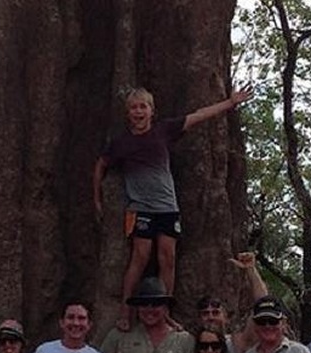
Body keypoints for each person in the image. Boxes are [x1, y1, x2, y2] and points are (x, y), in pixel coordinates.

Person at [93, 85, 254, 330]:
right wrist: (96, 198)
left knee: (167, 258)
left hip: (167, 207)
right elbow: (101, 165)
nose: (138, 111)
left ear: (151, 111)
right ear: (128, 113)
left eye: (143, 107)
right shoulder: (122, 143)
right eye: (133, 108)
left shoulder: (163, 131)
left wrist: (230, 102)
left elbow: (199, 115)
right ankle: (125, 311)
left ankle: (165, 311)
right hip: (140, 209)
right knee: (140, 257)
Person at [196, 252, 268, 353]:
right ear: (199, 319)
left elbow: (263, 304)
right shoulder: (191, 345)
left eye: (216, 312)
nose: (211, 317)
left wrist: (251, 270)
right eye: (205, 313)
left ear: (226, 317)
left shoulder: (236, 344)